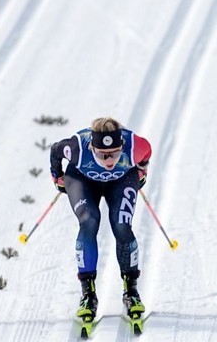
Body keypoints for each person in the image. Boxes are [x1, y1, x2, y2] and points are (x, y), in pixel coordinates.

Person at [48, 118, 151, 323]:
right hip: (82, 179)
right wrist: (57, 176)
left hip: (121, 181)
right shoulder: (77, 147)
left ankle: (131, 292)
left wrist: (142, 170)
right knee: (89, 221)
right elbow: (55, 150)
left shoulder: (135, 146)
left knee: (122, 226)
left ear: (123, 145)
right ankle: (88, 295)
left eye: (115, 153)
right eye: (102, 155)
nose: (110, 161)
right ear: (91, 147)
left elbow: (146, 151)